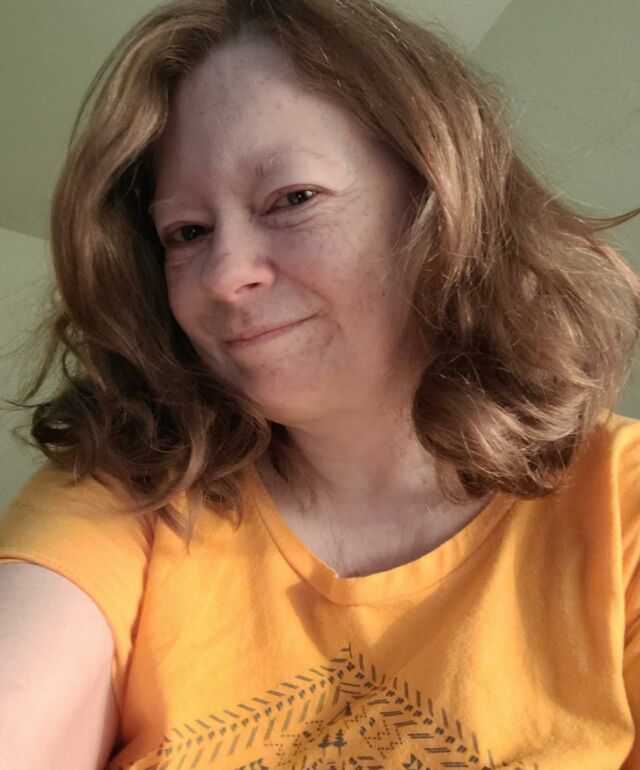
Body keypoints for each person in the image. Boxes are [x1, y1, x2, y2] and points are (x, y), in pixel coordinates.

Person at [1, 0, 640, 767]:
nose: (225, 275)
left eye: (292, 199)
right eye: (188, 232)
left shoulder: (620, 506)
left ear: (440, 201)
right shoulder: (131, 489)